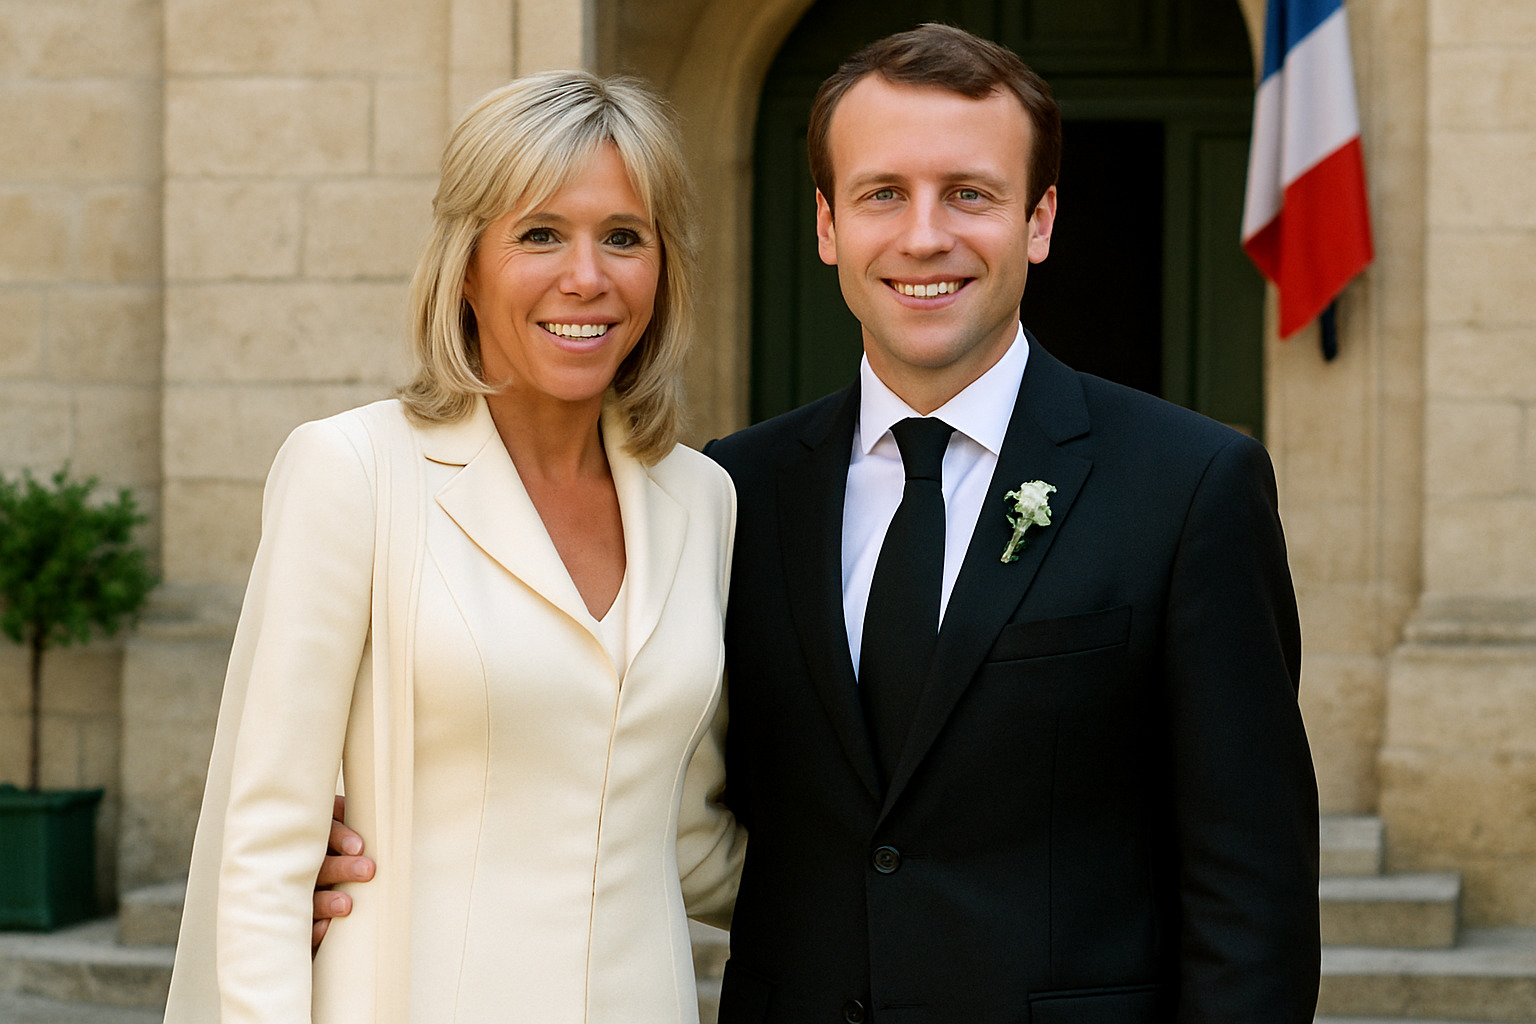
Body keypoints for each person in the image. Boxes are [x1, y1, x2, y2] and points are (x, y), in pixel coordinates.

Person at [319, 23, 1320, 1023]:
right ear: (828, 224)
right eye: (883, 193)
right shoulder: (733, 492)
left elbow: (1251, 893)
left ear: (1040, 218)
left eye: (970, 193)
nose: (924, 235)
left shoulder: (1191, 485)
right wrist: (380, 849)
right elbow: (641, 775)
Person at [164, 70, 743, 1024]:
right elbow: (264, 848)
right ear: (466, 264)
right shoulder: (351, 472)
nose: (587, 277)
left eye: (625, 237)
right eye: (541, 233)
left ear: (664, 268)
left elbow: (686, 838)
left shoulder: (702, 499)